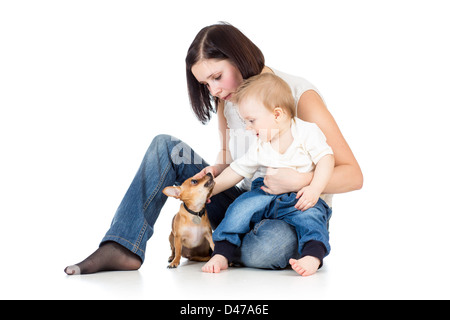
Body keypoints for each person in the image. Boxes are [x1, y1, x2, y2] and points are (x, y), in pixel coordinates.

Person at [64, 22, 363, 275]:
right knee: (165, 147)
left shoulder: (299, 95)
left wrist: (301, 181)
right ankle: (123, 245)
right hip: (246, 199)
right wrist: (213, 173)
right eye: (206, 84)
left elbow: (353, 175)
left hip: (294, 209)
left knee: (268, 248)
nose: (215, 90)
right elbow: (232, 163)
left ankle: (224, 243)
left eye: (217, 77)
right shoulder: (228, 101)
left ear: (239, 57)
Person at [202, 73, 334, 276]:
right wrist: (210, 189)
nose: (247, 127)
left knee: (312, 216)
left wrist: (314, 188)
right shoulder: (261, 143)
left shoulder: (306, 132)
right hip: (265, 192)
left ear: (277, 115)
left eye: (252, 120)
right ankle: (222, 251)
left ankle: (312, 255)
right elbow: (238, 169)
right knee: (239, 209)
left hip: (299, 196)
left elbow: (326, 159)